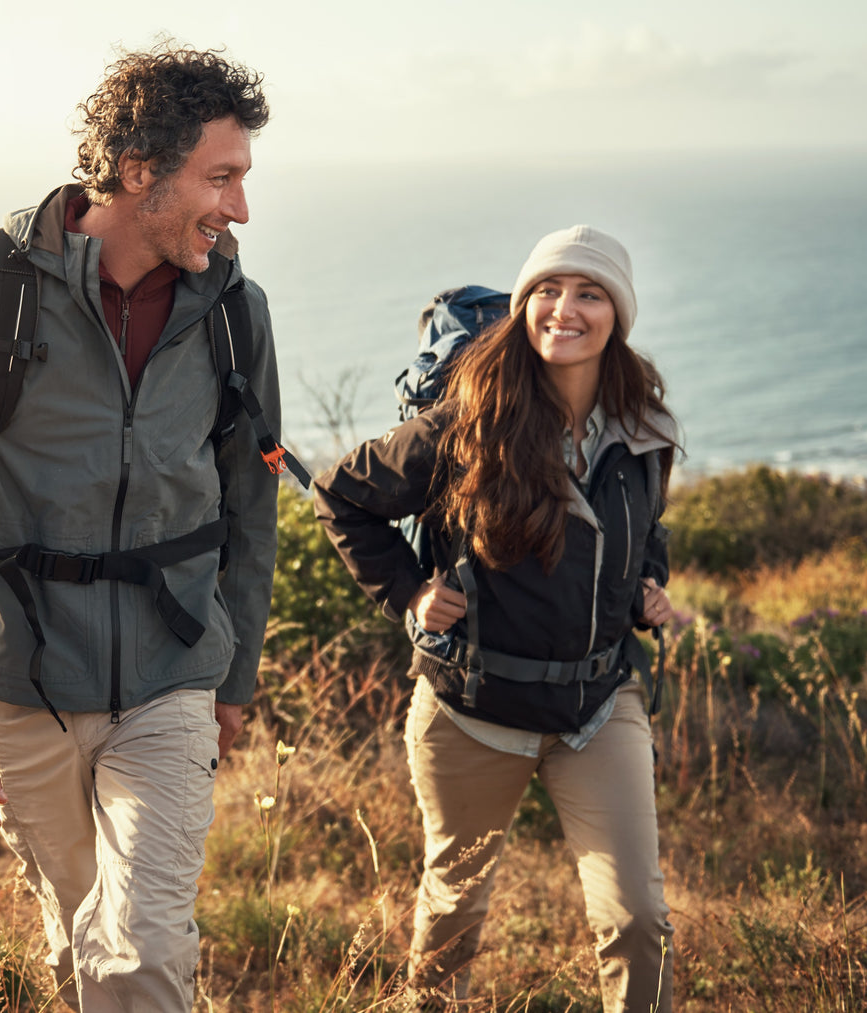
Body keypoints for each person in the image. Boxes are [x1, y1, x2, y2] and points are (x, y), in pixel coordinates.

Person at [0, 46, 283, 1011]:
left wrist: (235, 672)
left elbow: (249, 509)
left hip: (174, 672)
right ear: (139, 173)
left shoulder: (234, 313)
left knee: (142, 945)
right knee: (78, 926)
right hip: (17, 676)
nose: (239, 209)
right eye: (221, 178)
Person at [313, 226, 680, 1011]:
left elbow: (648, 524)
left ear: (618, 312)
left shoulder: (644, 422)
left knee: (639, 918)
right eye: (547, 290)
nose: (564, 308)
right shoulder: (468, 418)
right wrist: (410, 591)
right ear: (522, 307)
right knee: (454, 915)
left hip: (597, 706)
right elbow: (341, 494)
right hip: (472, 710)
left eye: (588, 292)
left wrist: (650, 579)